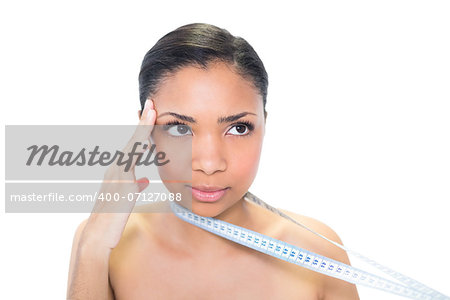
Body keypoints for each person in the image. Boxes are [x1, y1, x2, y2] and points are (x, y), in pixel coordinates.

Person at [67, 23, 360, 299]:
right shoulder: (104, 242)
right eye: (179, 128)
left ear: (264, 126)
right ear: (146, 130)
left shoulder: (319, 252)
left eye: (239, 128)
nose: (209, 164)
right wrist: (92, 247)